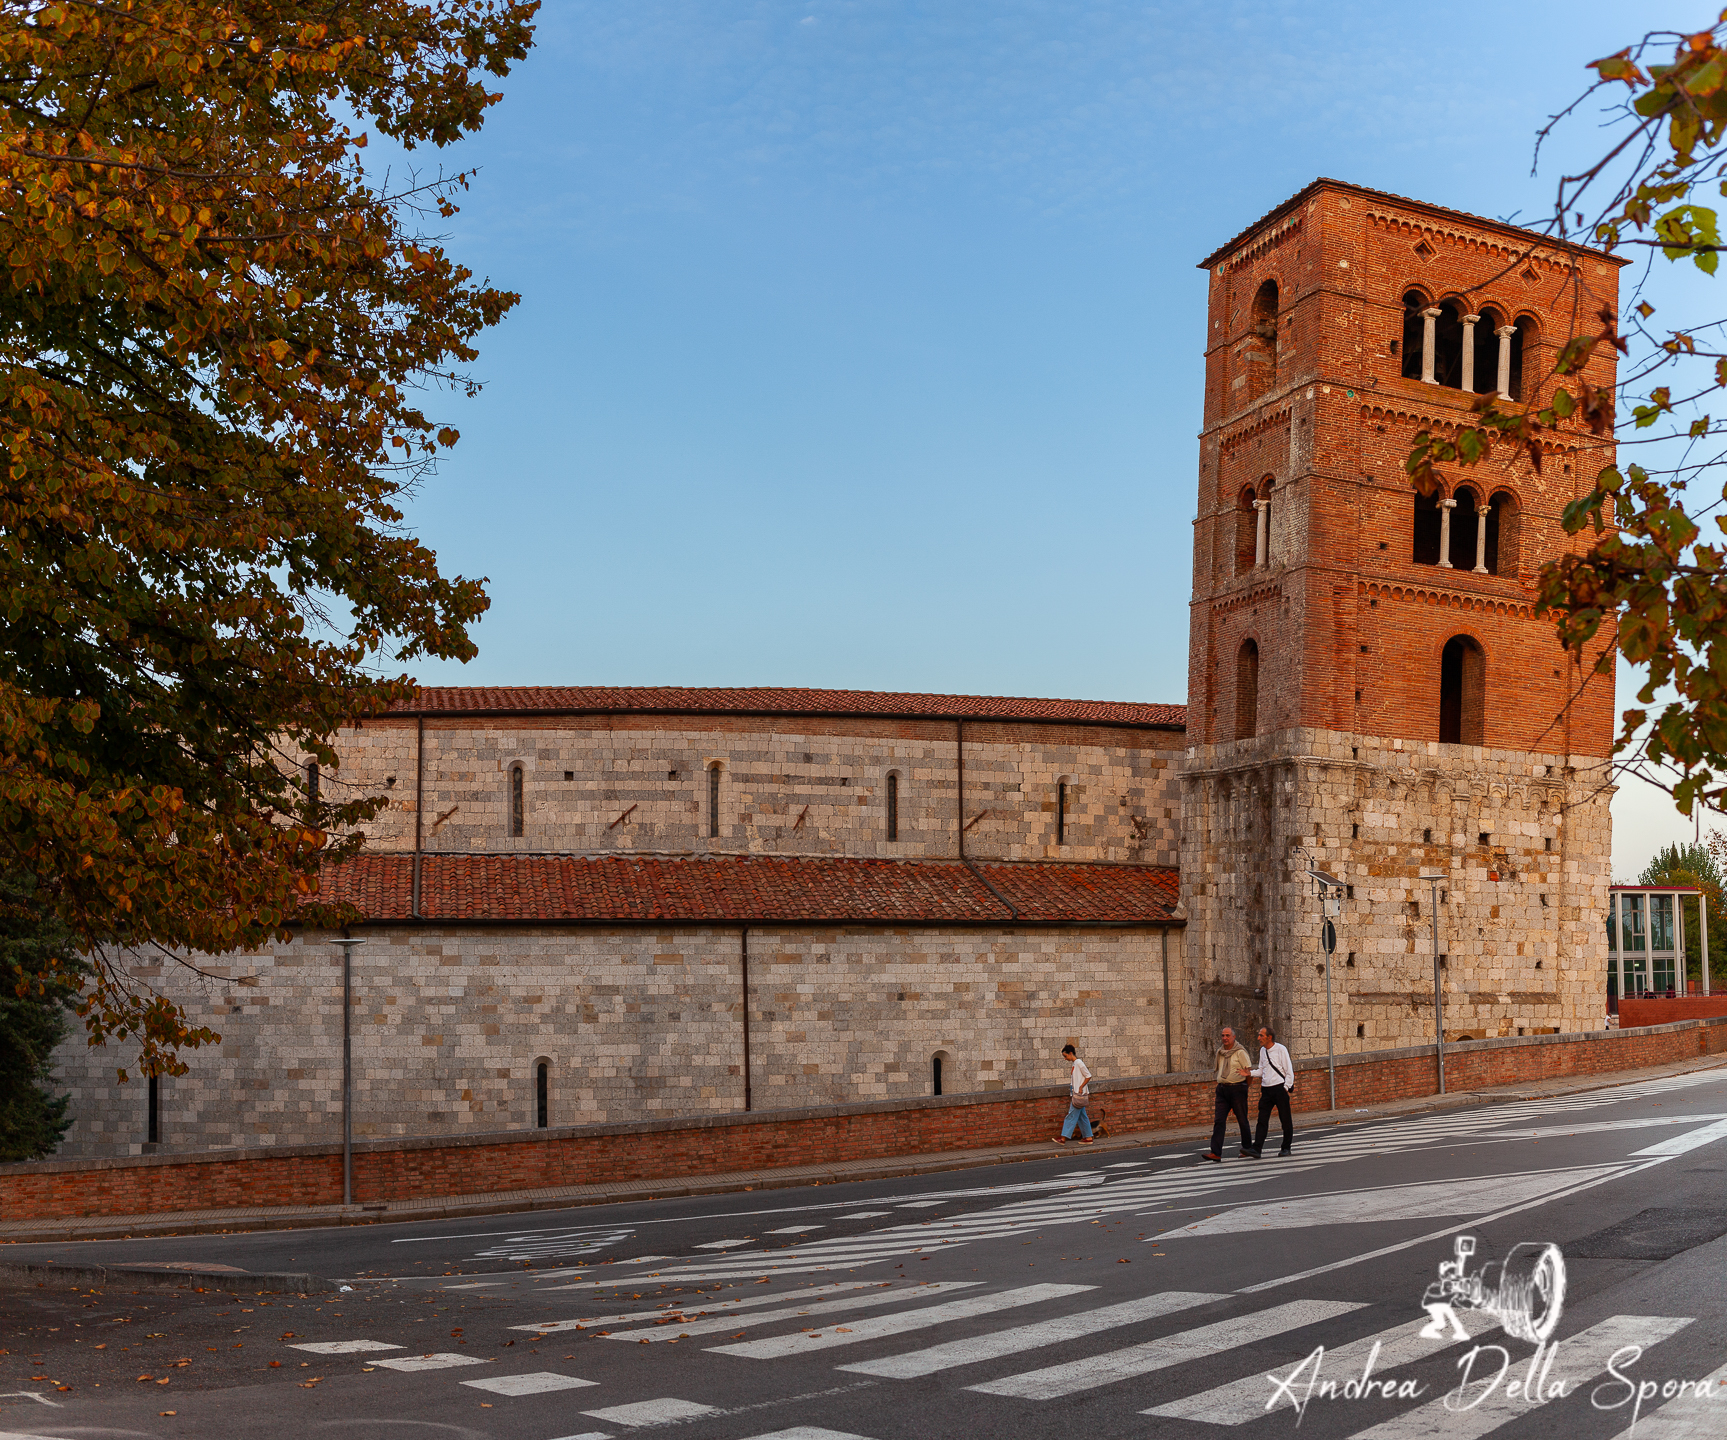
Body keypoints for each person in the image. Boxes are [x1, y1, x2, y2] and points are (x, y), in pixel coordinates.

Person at [1202, 1026, 1253, 1162]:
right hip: (1222, 1089)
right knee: (1219, 1121)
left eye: (1227, 1036)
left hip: (1237, 1089)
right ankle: (1216, 1152)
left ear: (1233, 1037)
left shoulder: (1240, 1052)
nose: (1225, 1038)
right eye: (1223, 1035)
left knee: (1242, 1119)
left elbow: (1248, 1071)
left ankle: (1247, 1148)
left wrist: (1244, 1087)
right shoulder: (1220, 1052)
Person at [1249, 1024, 1295, 1157]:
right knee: (1262, 1120)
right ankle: (1257, 1148)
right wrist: (1249, 1073)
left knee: (1285, 1120)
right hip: (1266, 1090)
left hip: (1279, 1088)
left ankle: (1286, 1147)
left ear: (1269, 1037)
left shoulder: (1281, 1049)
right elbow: (1262, 1070)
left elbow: (1289, 1071)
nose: (1258, 1038)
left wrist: (1285, 1087)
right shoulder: (1262, 1051)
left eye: (1261, 1035)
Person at [1053, 1043, 1094, 1144]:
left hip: (1078, 1095)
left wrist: (1080, 1087)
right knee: (1082, 1117)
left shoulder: (1079, 1063)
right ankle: (1088, 1137)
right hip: (1077, 1094)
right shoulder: (1075, 1064)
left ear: (1070, 1053)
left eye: (1065, 1056)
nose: (1065, 1058)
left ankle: (1063, 1138)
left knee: (1070, 1116)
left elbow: (1088, 1075)